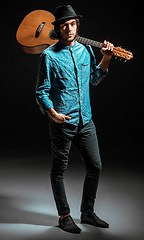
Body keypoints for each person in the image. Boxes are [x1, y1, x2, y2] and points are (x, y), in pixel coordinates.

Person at [36, 5, 114, 234]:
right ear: (58, 29)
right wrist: (53, 114)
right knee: (59, 170)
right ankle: (64, 216)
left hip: (86, 120)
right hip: (63, 123)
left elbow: (95, 79)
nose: (69, 29)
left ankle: (87, 213)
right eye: (64, 25)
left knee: (95, 166)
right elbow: (41, 91)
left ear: (77, 26)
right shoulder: (48, 56)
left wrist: (106, 59)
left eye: (72, 24)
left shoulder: (85, 51)